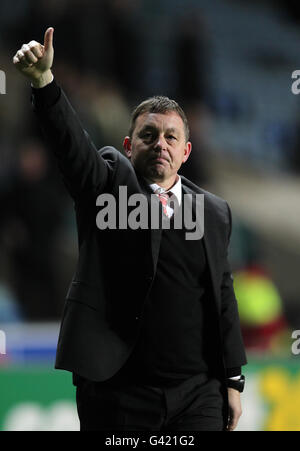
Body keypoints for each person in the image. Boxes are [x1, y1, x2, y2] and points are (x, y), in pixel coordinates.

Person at [13, 28, 247, 431]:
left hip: (197, 393)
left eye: (172, 137)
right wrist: (44, 82)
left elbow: (222, 296)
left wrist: (232, 379)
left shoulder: (214, 212)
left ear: (186, 151)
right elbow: (72, 148)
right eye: (149, 135)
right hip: (118, 393)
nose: (161, 144)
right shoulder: (105, 185)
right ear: (127, 145)